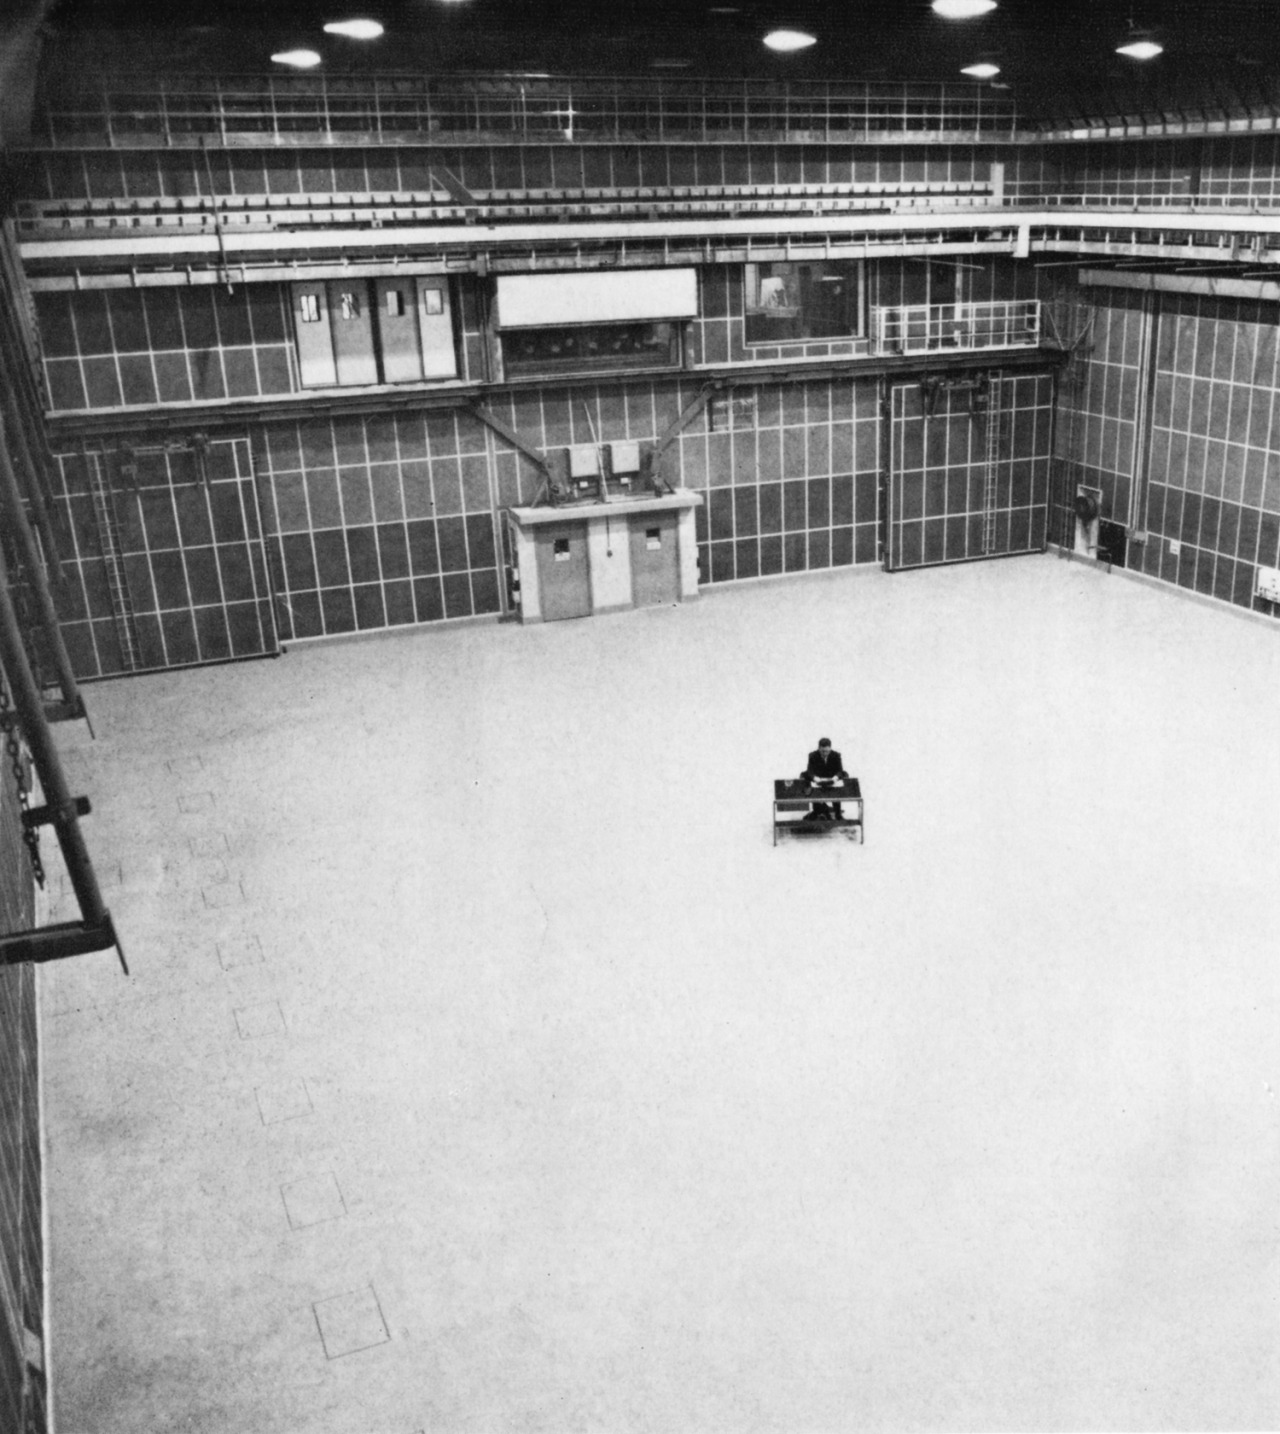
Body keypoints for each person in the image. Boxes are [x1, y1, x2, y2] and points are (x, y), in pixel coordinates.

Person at [801, 736, 848, 820]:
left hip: (832, 778)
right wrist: (815, 778)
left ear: (830, 748)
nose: (825, 754)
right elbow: (810, 771)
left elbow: (840, 770)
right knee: (805, 777)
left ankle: (837, 813)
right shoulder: (812, 755)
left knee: (839, 785)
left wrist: (835, 777)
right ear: (819, 748)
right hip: (818, 779)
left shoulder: (836, 755)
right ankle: (818, 809)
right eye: (822, 751)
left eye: (827, 751)